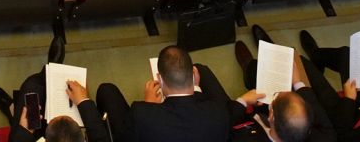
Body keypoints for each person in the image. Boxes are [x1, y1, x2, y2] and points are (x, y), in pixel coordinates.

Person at [92, 45, 259, 142]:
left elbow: (124, 137)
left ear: (160, 79)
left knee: (106, 90)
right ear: (193, 76)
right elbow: (229, 115)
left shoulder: (141, 113)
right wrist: (197, 88)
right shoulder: (217, 111)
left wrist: (149, 107)